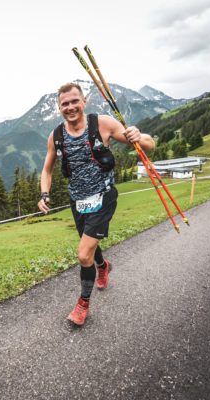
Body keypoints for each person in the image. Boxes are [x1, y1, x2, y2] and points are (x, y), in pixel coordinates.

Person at [37, 82, 155, 326]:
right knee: (89, 248)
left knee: (82, 254)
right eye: (64, 104)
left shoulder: (102, 123)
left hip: (103, 197)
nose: (70, 107)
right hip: (77, 201)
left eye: (74, 101)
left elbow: (149, 145)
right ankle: (103, 266)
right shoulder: (56, 136)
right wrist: (44, 194)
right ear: (59, 107)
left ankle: (82, 305)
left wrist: (138, 136)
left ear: (84, 101)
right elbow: (47, 170)